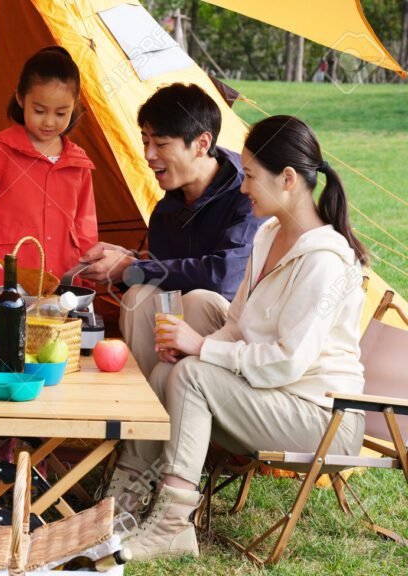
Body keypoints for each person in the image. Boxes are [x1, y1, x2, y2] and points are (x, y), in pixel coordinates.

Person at [123, 115, 368, 561]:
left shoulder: (326, 262)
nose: (241, 186)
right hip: (276, 397)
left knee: (192, 374)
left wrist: (201, 349)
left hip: (323, 418)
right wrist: (189, 344)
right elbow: (237, 322)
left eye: (251, 175)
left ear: (288, 179)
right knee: (175, 352)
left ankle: (172, 526)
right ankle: (130, 494)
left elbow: (288, 363)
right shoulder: (269, 235)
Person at [80, 83, 261, 512]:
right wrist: (124, 265)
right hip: (177, 350)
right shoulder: (167, 209)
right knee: (140, 297)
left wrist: (136, 265)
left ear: (202, 144)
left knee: (195, 298)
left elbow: (225, 278)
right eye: (144, 141)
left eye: (159, 143)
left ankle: (146, 462)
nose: (148, 155)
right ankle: (140, 464)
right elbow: (155, 279)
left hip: (235, 344)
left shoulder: (246, 193)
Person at [0, 46, 98, 303]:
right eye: (39, 111)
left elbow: (86, 233)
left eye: (61, 113)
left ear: (75, 107)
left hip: (61, 292)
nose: (49, 122)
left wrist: (86, 274)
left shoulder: (80, 164)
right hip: (3, 290)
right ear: (20, 98)